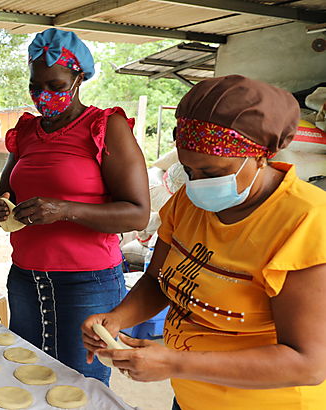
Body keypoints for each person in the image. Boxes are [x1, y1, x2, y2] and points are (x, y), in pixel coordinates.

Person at [82, 75, 326, 410]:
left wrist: (175, 363)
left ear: (258, 155)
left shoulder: (306, 221)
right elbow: (157, 280)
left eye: (212, 173)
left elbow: (308, 363)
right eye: (188, 170)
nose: (197, 184)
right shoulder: (188, 201)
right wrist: (117, 318)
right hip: (192, 397)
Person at [0, 28, 149, 384]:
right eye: (35, 87)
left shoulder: (105, 126)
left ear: (78, 78)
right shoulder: (26, 132)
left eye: (55, 86)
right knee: (26, 379)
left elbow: (137, 212)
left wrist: (66, 209)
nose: (44, 96)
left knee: (80, 385)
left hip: (87, 283)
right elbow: (5, 195)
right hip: (25, 279)